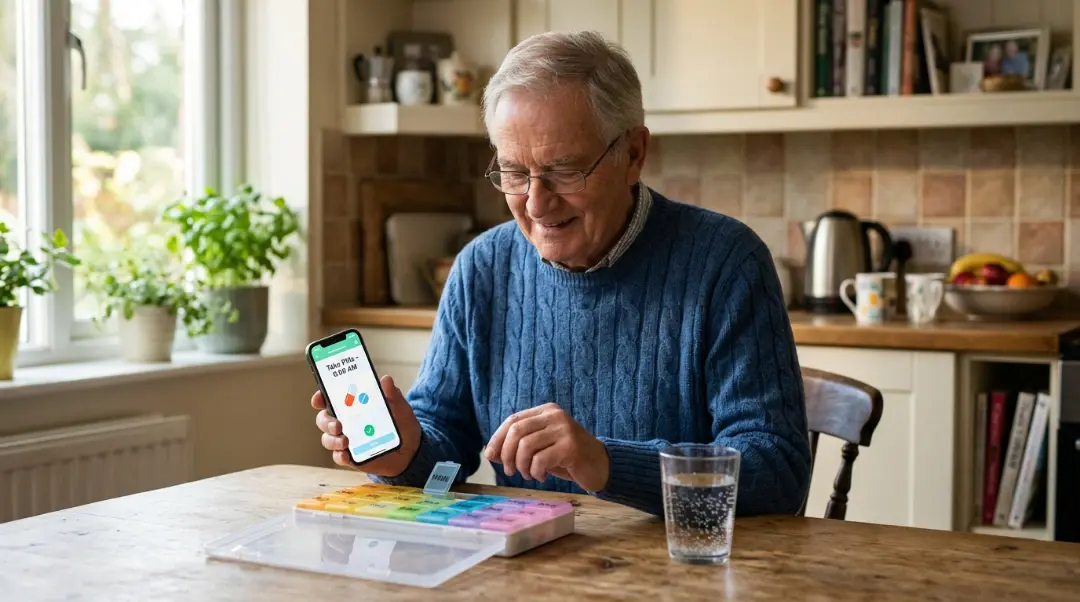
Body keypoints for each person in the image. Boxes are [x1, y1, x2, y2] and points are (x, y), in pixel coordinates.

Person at [312, 30, 812, 517]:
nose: (536, 202)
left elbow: (778, 471)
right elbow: (447, 454)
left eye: (565, 171)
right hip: (530, 571)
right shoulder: (481, 268)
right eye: (513, 172)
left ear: (633, 154)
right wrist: (403, 452)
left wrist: (605, 464)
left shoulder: (726, 263)